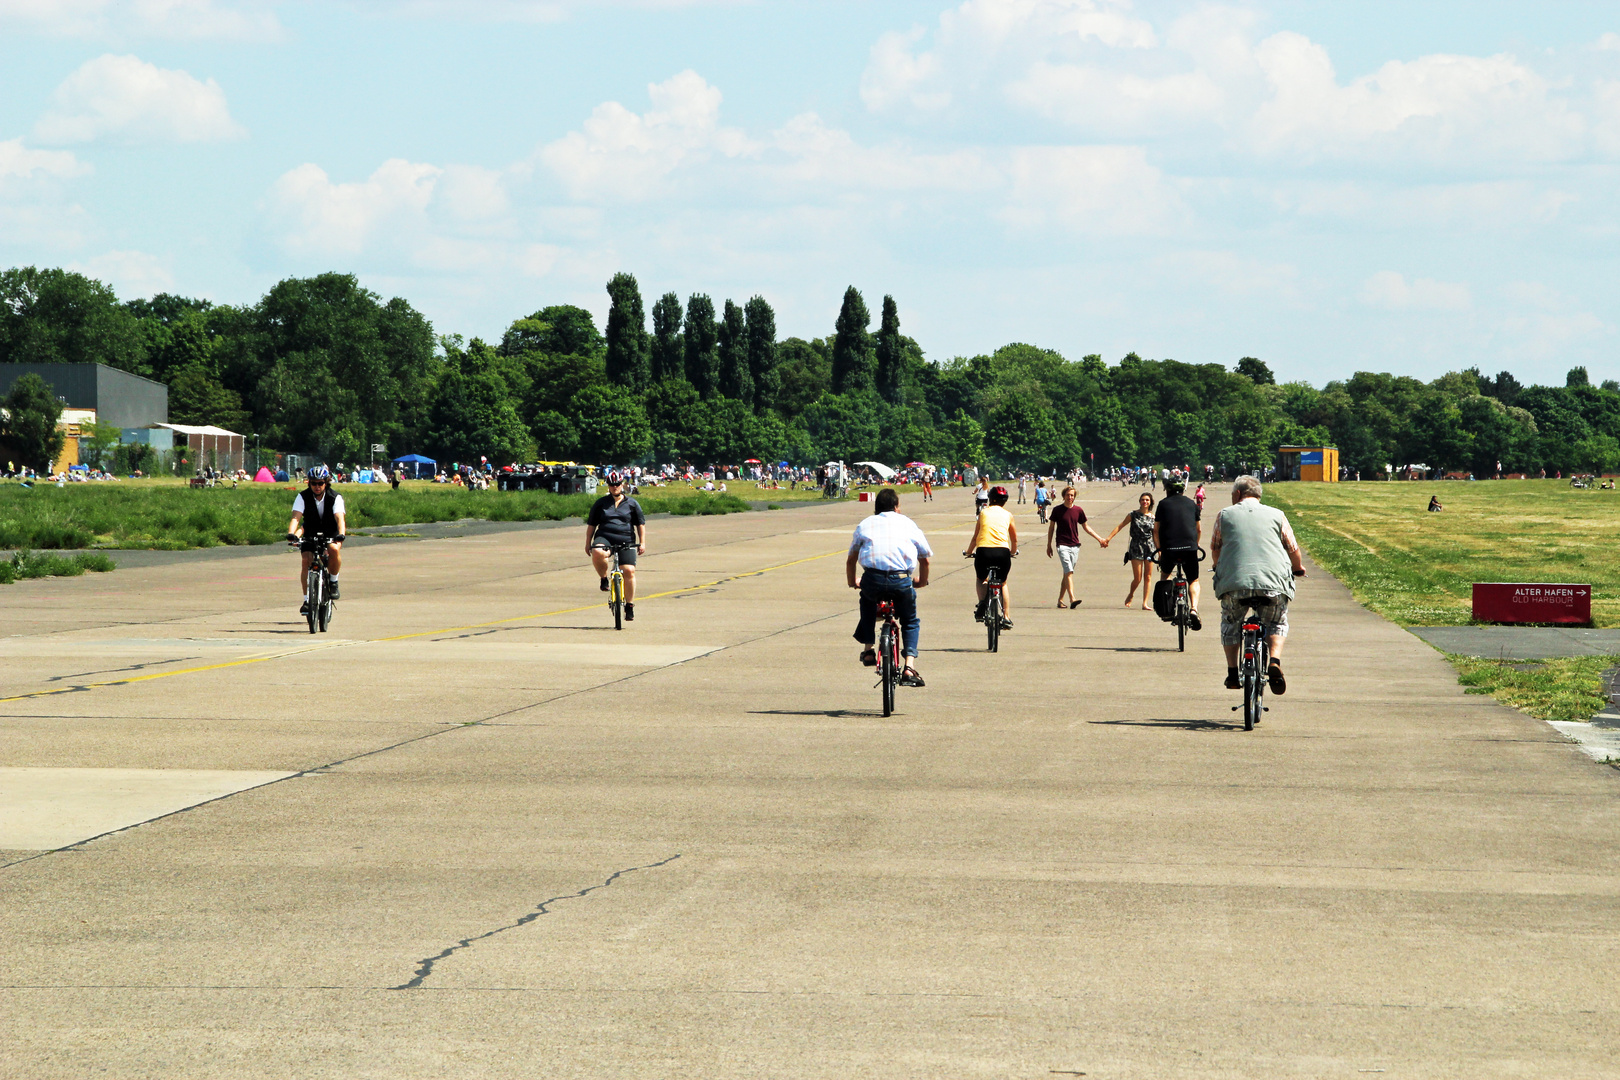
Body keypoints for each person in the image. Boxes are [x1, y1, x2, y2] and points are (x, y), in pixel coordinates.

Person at [1210, 475, 1306, 694]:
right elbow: (1293, 549)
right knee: (1277, 622)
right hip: (1272, 584)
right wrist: (1297, 568)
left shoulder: (1224, 515)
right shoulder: (1277, 515)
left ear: (1237, 494)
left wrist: (1218, 567)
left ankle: (1233, 673)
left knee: (1230, 623)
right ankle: (1274, 661)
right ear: (1259, 495)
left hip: (1234, 584)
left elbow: (1216, 547)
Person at [846, 487, 932, 687]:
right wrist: (921, 582)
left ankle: (868, 649)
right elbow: (925, 560)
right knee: (910, 620)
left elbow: (851, 560)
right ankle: (909, 667)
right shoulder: (909, 524)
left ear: (876, 508)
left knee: (867, 605)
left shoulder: (865, 524)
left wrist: (853, 582)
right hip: (902, 579)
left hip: (872, 579)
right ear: (896, 507)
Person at [585, 471, 647, 621]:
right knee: (598, 552)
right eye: (612, 485)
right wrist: (588, 543)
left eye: (617, 484)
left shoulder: (632, 503)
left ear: (622, 484)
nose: (615, 487)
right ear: (608, 486)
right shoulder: (601, 503)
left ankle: (630, 606)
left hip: (626, 538)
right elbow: (592, 524)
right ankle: (603, 578)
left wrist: (642, 542)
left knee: (629, 571)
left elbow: (640, 524)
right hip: (605, 536)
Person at [286, 464, 346, 612]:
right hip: (310, 531)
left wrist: (341, 534)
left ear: (326, 482)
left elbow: (340, 519)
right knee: (306, 560)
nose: (317, 486)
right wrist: (292, 535)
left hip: (331, 531)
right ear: (309, 483)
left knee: (333, 549)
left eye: (320, 483)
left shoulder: (335, 497)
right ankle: (307, 601)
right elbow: (296, 518)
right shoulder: (302, 496)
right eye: (314, 483)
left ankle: (333, 582)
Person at [964, 485, 1018, 627]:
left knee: (981, 578)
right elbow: (1014, 539)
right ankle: (1006, 616)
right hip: (1002, 553)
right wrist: (1013, 552)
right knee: (1003, 582)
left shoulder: (984, 513)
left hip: (984, 551)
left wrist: (969, 552)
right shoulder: (1008, 515)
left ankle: (982, 604)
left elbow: (975, 537)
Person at [1154, 477, 1203, 630]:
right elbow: (1198, 529)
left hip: (1169, 548)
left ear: (1167, 490)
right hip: (1190, 548)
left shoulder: (1163, 504)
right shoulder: (1192, 504)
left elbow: (1156, 530)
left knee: (1165, 575)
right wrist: (1196, 544)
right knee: (1193, 580)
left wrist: (1160, 549)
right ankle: (1194, 609)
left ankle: (1167, 608)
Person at [1046, 486, 1107, 609]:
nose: (1070, 497)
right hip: (1062, 545)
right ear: (1063, 496)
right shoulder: (1057, 510)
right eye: (1068, 495)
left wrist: (1099, 538)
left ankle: (1060, 600)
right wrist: (1049, 545)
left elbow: (1086, 527)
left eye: (1072, 495)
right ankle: (1072, 598)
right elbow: (1051, 528)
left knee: (1066, 573)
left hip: (1075, 545)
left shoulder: (1078, 510)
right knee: (1069, 571)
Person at [1104, 491, 1157, 609]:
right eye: (1143, 499)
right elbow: (1120, 526)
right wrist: (1108, 538)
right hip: (1136, 546)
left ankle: (1145, 603)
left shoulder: (1154, 517)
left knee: (1148, 576)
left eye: (1147, 500)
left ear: (1150, 502)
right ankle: (1131, 594)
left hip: (1149, 547)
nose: (1145, 502)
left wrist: (1159, 549)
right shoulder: (1133, 515)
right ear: (1139, 501)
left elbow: (1156, 534)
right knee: (1137, 578)